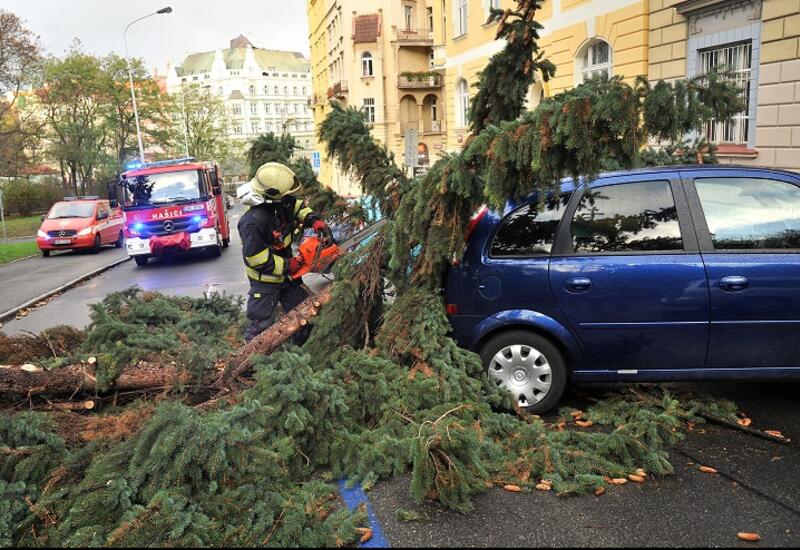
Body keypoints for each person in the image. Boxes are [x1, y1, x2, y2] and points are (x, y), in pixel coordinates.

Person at [237, 162, 333, 342]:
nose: (289, 197)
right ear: (272, 195)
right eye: (286, 195)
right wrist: (290, 265)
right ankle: (248, 365)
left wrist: (314, 221)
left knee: (305, 314)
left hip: (289, 277)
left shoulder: (281, 203)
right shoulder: (253, 223)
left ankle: (301, 357)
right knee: (261, 324)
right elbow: (256, 260)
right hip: (264, 282)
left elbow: (297, 207)